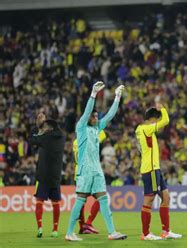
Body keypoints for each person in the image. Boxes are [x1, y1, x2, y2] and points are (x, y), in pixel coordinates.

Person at [65, 81, 127, 241]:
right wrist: (93, 94)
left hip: (97, 170)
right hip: (85, 170)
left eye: (96, 116)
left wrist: (117, 97)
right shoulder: (81, 127)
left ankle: (112, 232)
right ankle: (69, 233)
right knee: (80, 201)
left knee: (104, 200)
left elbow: (110, 115)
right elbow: (86, 113)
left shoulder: (97, 128)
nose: (96, 117)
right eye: (94, 116)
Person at [135, 101, 182, 240]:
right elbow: (166, 120)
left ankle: (166, 231)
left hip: (155, 169)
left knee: (166, 198)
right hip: (150, 169)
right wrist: (163, 109)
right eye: (157, 119)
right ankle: (145, 233)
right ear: (153, 119)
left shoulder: (144, 130)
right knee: (149, 200)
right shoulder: (146, 129)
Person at [30, 114, 65, 238]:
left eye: (45, 126)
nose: (43, 127)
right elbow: (56, 130)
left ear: (49, 128)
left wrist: (37, 126)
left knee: (39, 201)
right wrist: (44, 126)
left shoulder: (44, 139)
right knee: (55, 203)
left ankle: (40, 228)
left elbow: (32, 139)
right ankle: (55, 230)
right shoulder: (61, 137)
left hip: (43, 176)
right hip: (55, 176)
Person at [72, 130, 107, 234]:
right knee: (101, 198)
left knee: (81, 201)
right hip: (88, 173)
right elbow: (103, 134)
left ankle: (82, 226)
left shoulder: (75, 141)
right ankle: (88, 223)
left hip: (78, 174)